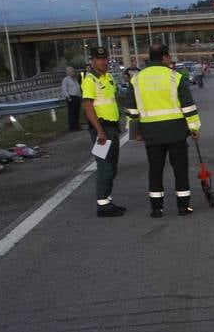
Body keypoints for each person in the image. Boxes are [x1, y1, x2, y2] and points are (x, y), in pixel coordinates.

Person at [127, 43, 201, 217]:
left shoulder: (137, 79)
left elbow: (131, 109)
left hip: (151, 132)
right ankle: (183, 207)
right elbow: (188, 106)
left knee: (155, 169)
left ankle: (156, 208)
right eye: (169, 57)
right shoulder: (174, 77)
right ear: (165, 57)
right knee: (180, 169)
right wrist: (194, 128)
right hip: (175, 131)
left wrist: (134, 132)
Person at [81, 48, 125, 218]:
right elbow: (88, 106)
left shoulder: (109, 77)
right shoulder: (90, 80)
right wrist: (99, 131)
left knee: (112, 166)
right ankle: (102, 204)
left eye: (105, 58)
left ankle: (107, 199)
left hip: (112, 128)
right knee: (104, 167)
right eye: (99, 59)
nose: (103, 62)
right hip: (101, 130)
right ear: (92, 61)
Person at [62, 66, 83, 132]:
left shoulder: (75, 79)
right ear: (67, 72)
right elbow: (64, 89)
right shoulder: (65, 80)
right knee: (72, 114)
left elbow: (78, 88)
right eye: (70, 71)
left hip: (77, 97)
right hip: (71, 98)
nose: (72, 72)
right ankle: (72, 127)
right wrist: (68, 97)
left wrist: (80, 96)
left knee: (77, 113)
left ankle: (77, 126)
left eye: (73, 71)